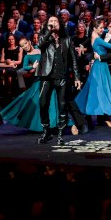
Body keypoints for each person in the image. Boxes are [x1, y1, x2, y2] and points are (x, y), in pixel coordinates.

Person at [36, 15, 82, 145]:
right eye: (51, 21)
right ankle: (46, 131)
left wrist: (77, 77)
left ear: (60, 24)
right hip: (47, 76)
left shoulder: (67, 39)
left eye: (55, 21)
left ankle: (60, 134)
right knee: (43, 103)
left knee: (62, 105)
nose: (53, 23)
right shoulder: (44, 37)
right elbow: (40, 45)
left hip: (62, 77)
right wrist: (49, 31)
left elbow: (73, 59)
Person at [74, 16, 111, 126]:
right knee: (98, 90)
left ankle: (96, 116)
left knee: (98, 90)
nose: (103, 29)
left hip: (101, 65)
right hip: (100, 66)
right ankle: (92, 114)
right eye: (101, 28)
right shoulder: (97, 38)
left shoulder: (95, 34)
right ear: (95, 28)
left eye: (103, 28)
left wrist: (109, 30)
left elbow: (105, 31)